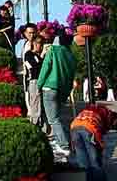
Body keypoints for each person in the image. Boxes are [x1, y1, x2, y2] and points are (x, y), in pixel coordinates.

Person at [37, 30, 77, 159]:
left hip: (49, 87)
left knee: (53, 119)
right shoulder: (71, 55)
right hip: (63, 89)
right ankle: (64, 143)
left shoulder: (53, 50)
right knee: (58, 117)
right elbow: (71, 75)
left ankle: (64, 145)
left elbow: (45, 68)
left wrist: (39, 84)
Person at [70, 104, 117, 181]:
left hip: (74, 126)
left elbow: (101, 129)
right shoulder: (109, 116)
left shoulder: (101, 110)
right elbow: (98, 135)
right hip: (89, 128)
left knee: (83, 162)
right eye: (114, 128)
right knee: (95, 161)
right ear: (116, 122)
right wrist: (100, 147)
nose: (111, 129)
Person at [24, 36, 46, 131]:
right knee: (35, 103)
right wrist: (41, 58)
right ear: (34, 44)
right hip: (34, 81)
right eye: (38, 43)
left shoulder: (39, 56)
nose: (40, 46)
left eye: (41, 44)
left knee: (41, 104)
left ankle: (42, 126)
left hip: (42, 81)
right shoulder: (28, 54)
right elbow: (34, 67)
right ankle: (34, 125)